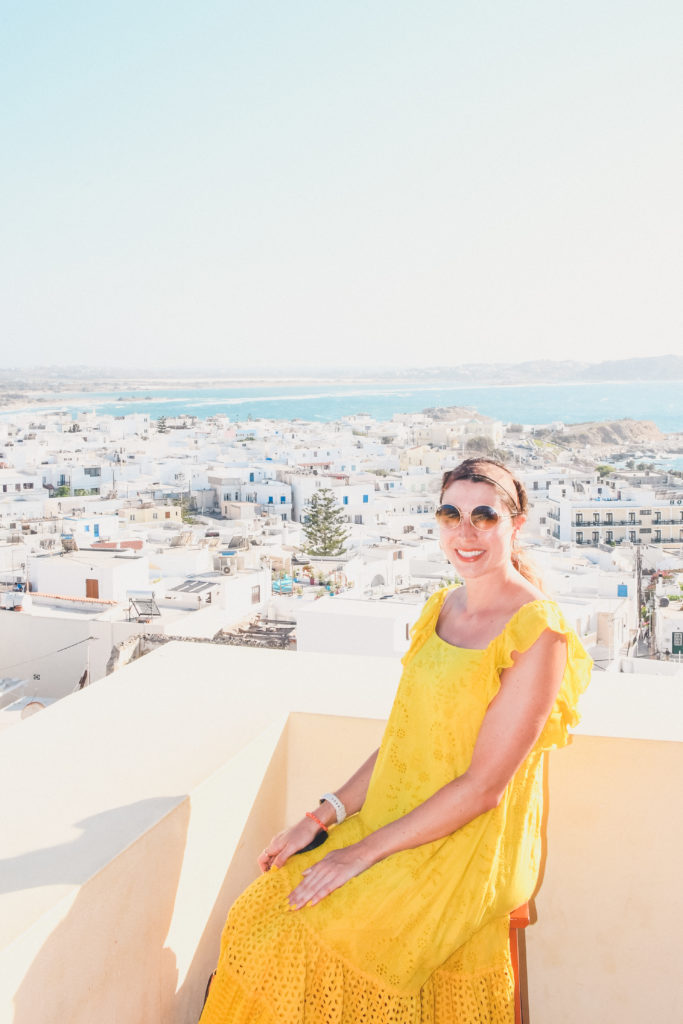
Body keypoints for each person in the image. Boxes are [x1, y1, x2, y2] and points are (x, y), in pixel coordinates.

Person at [199, 457, 592, 1024]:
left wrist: (359, 855)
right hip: (394, 820)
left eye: (485, 515)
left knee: (298, 940)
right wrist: (321, 817)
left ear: (516, 524)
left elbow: (483, 789)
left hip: (466, 843)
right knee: (257, 914)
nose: (466, 531)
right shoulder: (440, 609)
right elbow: (404, 739)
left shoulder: (538, 632)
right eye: (451, 514)